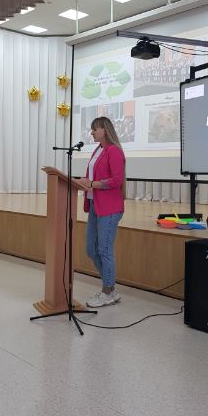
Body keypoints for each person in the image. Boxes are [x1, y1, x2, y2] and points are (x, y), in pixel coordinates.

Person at [76, 116, 126, 308]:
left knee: (104, 249)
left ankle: (107, 291)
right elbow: (92, 176)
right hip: (94, 205)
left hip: (109, 207)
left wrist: (92, 184)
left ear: (105, 130)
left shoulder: (114, 151)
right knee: (91, 249)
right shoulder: (98, 150)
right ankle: (110, 288)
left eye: (95, 129)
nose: (91, 132)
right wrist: (83, 182)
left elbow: (116, 180)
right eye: (91, 129)